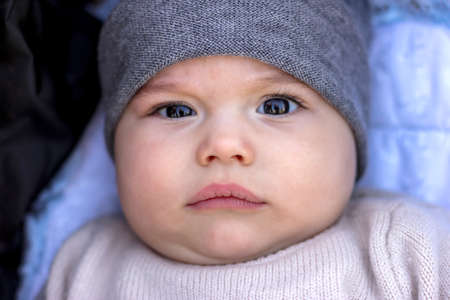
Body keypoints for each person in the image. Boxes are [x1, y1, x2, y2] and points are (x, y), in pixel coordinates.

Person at [42, 0, 450, 299]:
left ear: (352, 140)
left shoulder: (408, 247)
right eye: (174, 109)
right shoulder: (85, 266)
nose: (223, 146)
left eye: (276, 106)